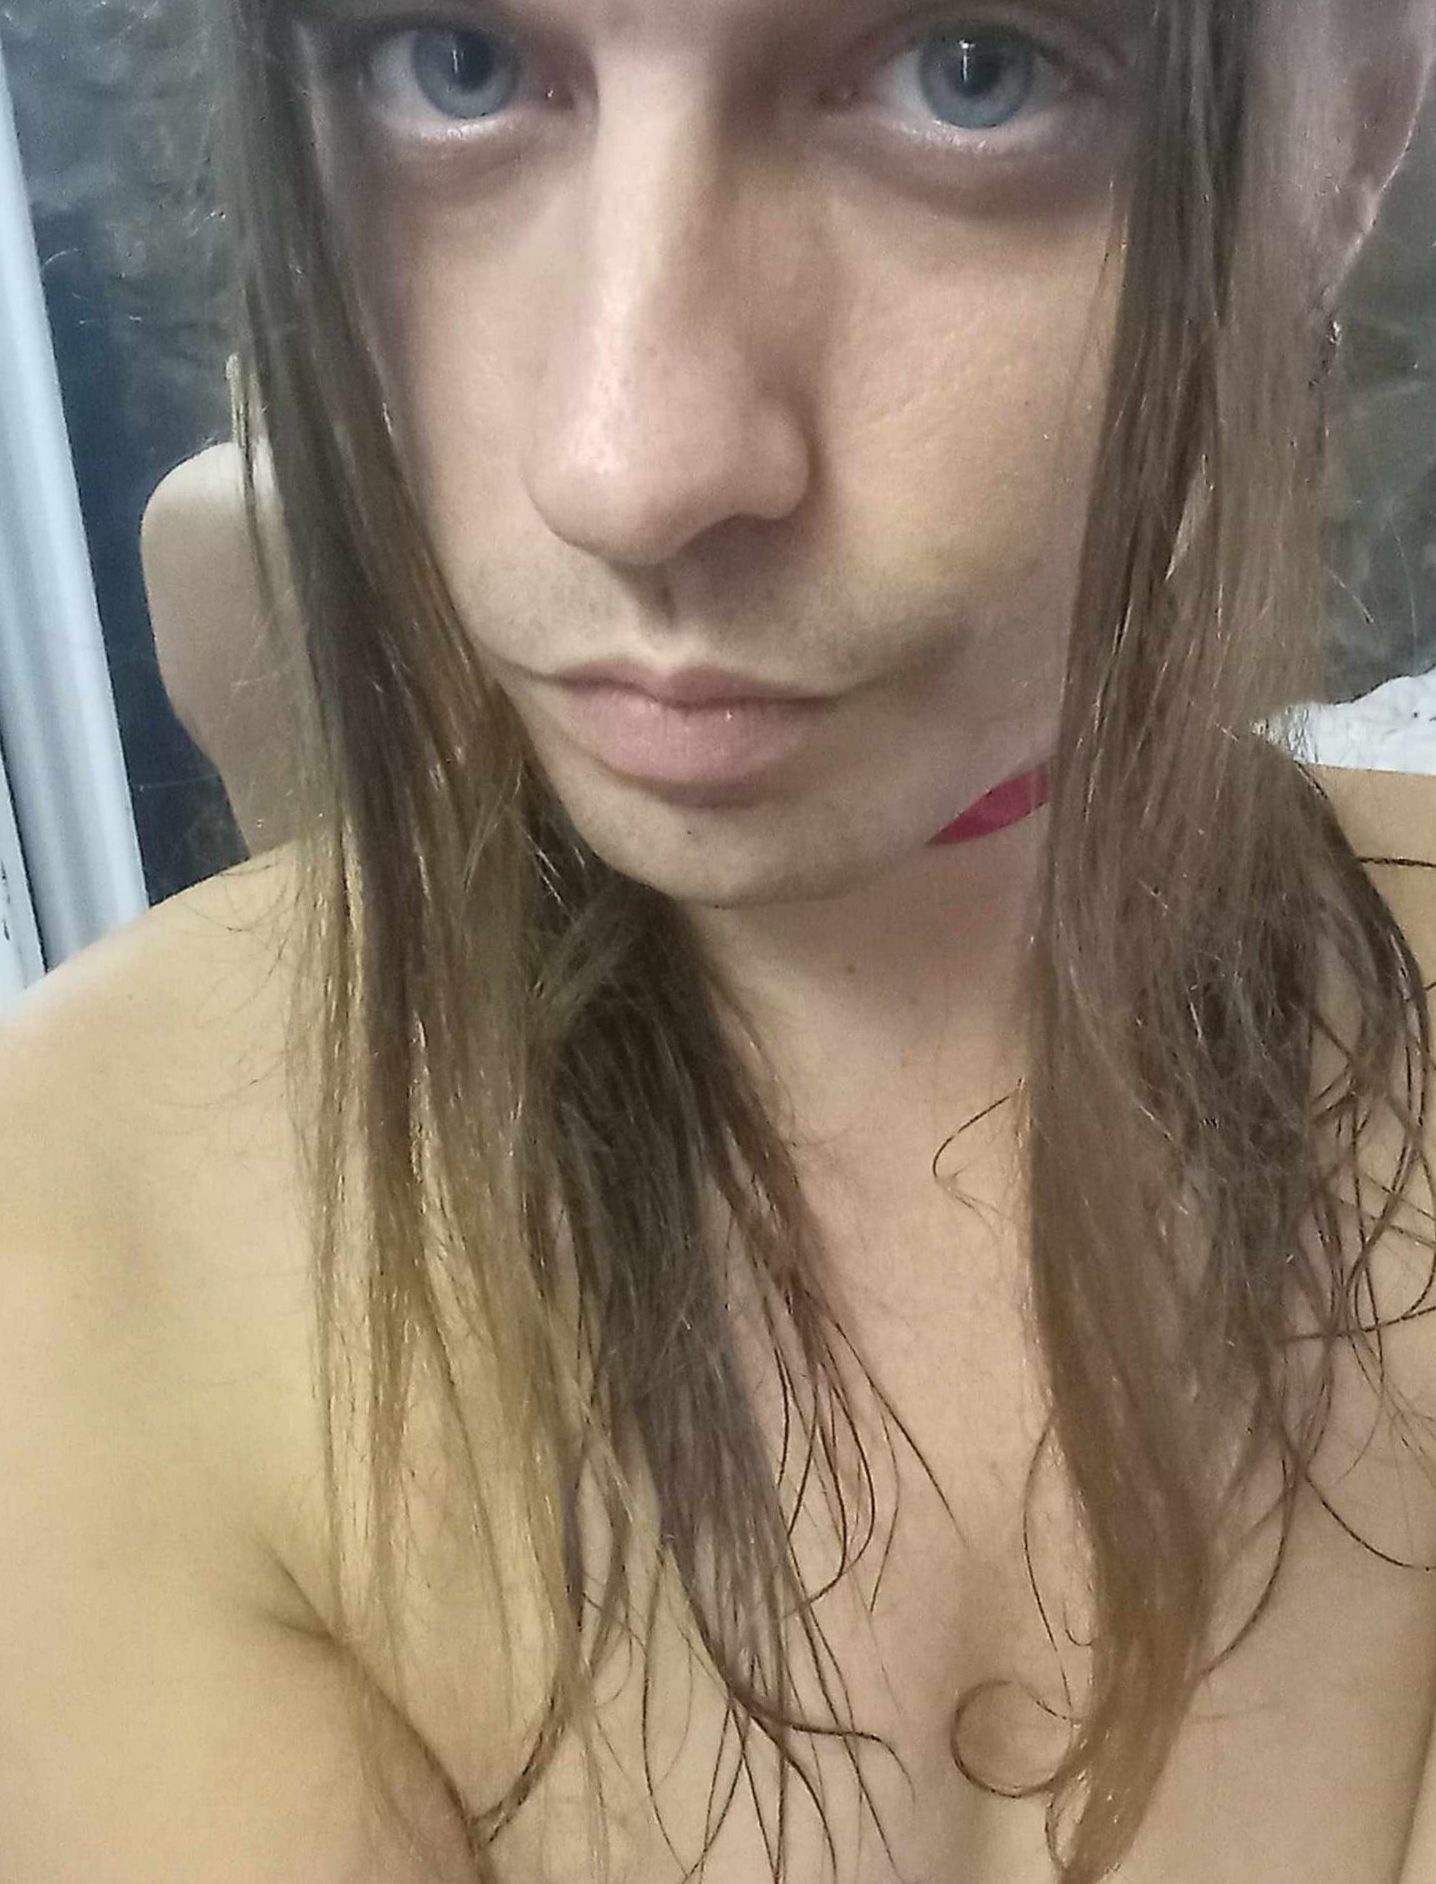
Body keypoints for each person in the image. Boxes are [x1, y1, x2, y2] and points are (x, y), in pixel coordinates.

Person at [6, 4, 1436, 1881]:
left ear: (1357, 131)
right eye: (455, 63)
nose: (624, 465)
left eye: (973, 70)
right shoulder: (82, 1234)